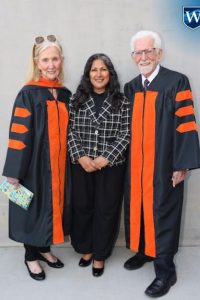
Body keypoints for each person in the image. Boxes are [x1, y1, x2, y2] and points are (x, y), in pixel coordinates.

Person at [123, 30, 200, 297]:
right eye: (138, 52)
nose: (143, 57)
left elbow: (186, 125)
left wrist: (182, 165)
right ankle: (145, 251)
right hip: (137, 167)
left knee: (163, 212)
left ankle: (166, 271)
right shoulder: (131, 87)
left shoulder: (177, 82)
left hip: (164, 165)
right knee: (140, 209)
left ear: (159, 53)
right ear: (133, 57)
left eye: (148, 51)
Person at [2, 35, 71, 281]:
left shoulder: (64, 94)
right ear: (37, 62)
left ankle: (44, 249)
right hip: (32, 166)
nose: (51, 64)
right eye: (45, 60)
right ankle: (31, 256)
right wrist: (14, 171)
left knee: (51, 209)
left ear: (61, 61)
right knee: (31, 209)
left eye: (55, 59)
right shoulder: (28, 94)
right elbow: (18, 133)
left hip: (59, 166)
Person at [68, 53, 130, 277]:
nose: (98, 74)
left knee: (106, 211)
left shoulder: (122, 101)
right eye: (94, 70)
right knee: (82, 208)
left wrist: (107, 157)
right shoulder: (76, 99)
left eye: (103, 69)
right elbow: (70, 131)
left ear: (110, 73)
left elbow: (126, 133)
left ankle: (100, 255)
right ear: (88, 74)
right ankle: (86, 249)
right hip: (81, 164)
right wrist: (81, 156)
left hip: (110, 167)